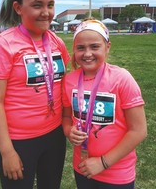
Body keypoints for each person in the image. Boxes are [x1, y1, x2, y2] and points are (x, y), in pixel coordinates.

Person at [0, 0, 70, 189]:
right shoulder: (3, 44)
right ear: (18, 7)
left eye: (50, 5)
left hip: (54, 136)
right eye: (37, 5)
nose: (46, 12)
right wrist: (7, 151)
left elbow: (67, 83)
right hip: (19, 141)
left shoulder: (56, 42)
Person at [62, 18, 147, 189]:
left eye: (94, 47)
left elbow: (139, 131)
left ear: (107, 47)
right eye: (80, 48)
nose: (87, 54)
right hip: (83, 167)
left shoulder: (121, 79)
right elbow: (66, 116)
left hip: (116, 173)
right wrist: (68, 130)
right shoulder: (69, 80)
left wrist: (103, 162)